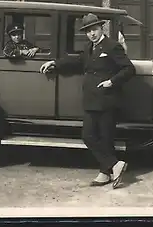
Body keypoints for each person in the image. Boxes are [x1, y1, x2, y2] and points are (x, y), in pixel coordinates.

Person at [40, 13, 136, 189]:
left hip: (108, 100)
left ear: (101, 28)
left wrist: (112, 81)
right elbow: (76, 61)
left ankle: (105, 173)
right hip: (92, 100)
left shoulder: (112, 46)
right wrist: (55, 63)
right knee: (88, 136)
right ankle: (115, 165)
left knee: (106, 139)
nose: (92, 34)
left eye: (94, 29)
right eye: (88, 31)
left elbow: (129, 69)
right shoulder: (89, 48)